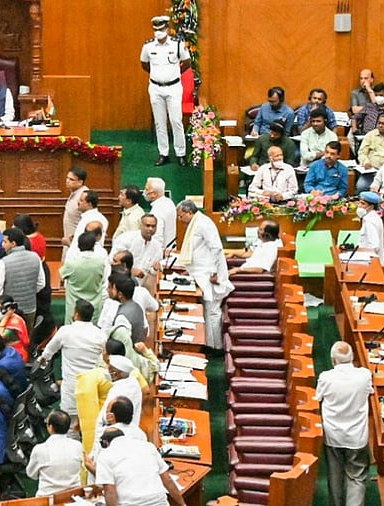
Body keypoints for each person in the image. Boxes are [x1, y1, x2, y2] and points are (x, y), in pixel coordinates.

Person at [316, 341, 373, 506]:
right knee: (357, 477)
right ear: (352, 358)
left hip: (333, 435)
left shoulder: (326, 378)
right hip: (357, 437)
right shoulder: (364, 375)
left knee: (335, 476)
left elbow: (318, 398)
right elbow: (370, 391)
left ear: (333, 360)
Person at [176, 200, 234, 350]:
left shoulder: (203, 223)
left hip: (210, 275)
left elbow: (216, 248)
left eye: (181, 216)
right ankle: (209, 343)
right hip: (201, 273)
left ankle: (215, 347)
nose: (180, 219)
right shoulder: (196, 223)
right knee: (207, 310)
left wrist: (215, 272)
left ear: (189, 213)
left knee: (212, 310)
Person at [40, 299, 107, 417]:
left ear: (76, 314)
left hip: (71, 387)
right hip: (92, 386)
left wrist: (42, 361)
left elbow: (48, 352)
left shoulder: (65, 331)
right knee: (89, 420)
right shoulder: (100, 335)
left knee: (69, 423)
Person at [91, 427, 187, 506]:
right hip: (159, 502)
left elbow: (110, 492)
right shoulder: (148, 446)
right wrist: (183, 504)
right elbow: (167, 480)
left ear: (105, 443)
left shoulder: (105, 454)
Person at [141, 15, 190, 166]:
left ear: (167, 29)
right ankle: (164, 153)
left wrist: (172, 75)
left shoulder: (177, 44)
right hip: (155, 88)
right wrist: (158, 75)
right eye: (156, 29)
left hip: (174, 87)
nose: (158, 32)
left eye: (161, 29)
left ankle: (180, 153)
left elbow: (187, 62)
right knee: (159, 122)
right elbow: (144, 64)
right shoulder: (148, 46)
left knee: (176, 121)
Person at [0, 228, 45, 330]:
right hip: (30, 308)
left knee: (10, 341)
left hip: (9, 312)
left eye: (5, 242)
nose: (2, 245)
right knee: (27, 337)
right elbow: (41, 283)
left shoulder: (4, 262)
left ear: (13, 243)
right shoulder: (35, 257)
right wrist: (28, 292)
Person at [26, 409, 83, 496]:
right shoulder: (78, 446)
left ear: (51, 427)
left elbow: (31, 474)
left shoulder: (39, 450)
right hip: (74, 497)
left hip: (46, 499)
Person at [61, 232, 108, 324]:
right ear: (93, 246)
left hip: (74, 307)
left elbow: (61, 277)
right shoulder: (100, 263)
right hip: (94, 305)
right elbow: (102, 278)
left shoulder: (72, 264)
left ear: (78, 246)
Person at [110, 214, 163, 287]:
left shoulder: (157, 247)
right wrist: (130, 271)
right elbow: (111, 262)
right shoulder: (126, 238)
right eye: (147, 226)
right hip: (120, 283)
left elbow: (152, 271)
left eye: (153, 226)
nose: (150, 229)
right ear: (140, 226)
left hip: (141, 286)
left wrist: (155, 268)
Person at [61, 167, 89, 260]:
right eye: (67, 178)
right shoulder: (74, 192)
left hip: (78, 244)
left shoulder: (84, 196)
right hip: (69, 241)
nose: (67, 181)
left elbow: (89, 221)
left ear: (80, 182)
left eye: (71, 179)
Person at [0, 295, 30, 362]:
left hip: (17, 354)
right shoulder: (13, 316)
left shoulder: (14, 323)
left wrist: (6, 317)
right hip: (11, 350)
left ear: (7, 309)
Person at [145, 177, 176, 247]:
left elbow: (156, 235)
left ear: (154, 194)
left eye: (147, 190)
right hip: (170, 247)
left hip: (161, 251)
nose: (145, 192)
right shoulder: (169, 202)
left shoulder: (157, 209)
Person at [357, 191, 384, 265]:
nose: (359, 205)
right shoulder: (374, 217)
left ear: (371, 206)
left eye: (363, 204)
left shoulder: (369, 221)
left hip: (370, 264)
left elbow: (374, 246)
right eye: (359, 203)